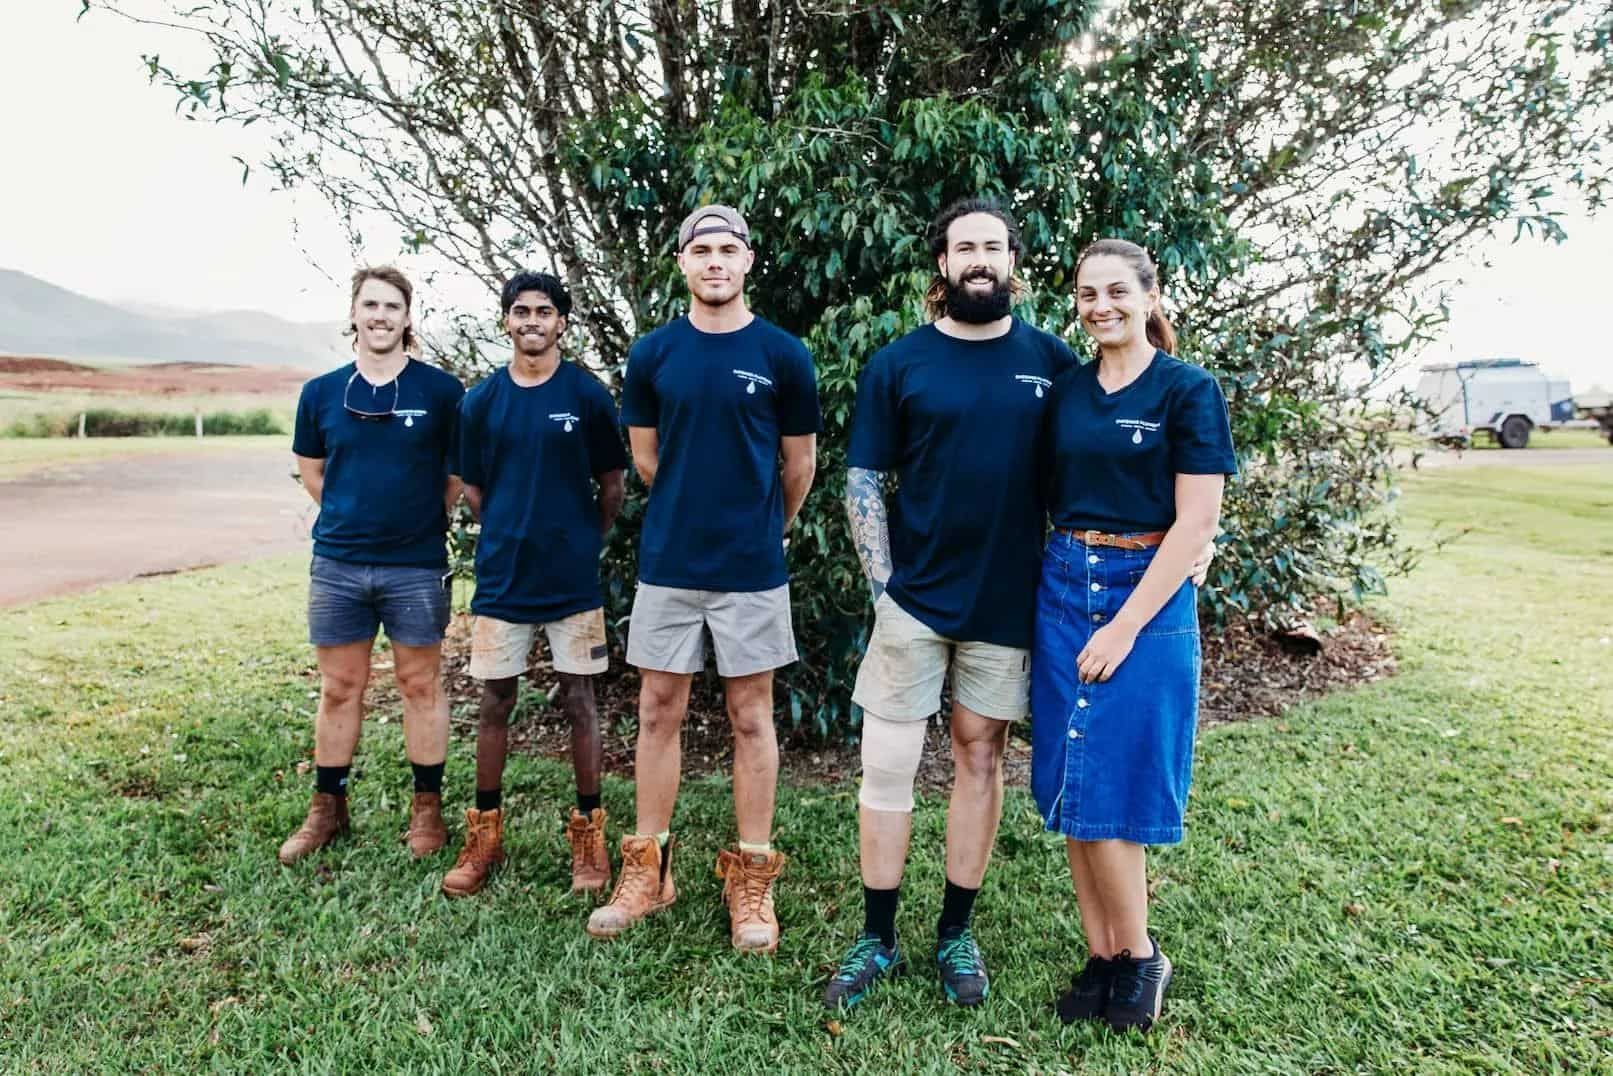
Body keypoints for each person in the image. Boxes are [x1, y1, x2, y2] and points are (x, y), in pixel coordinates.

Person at [824, 198, 1078, 1009]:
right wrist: (881, 588)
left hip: (1007, 601)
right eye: (964, 246)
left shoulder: (1052, 361)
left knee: (979, 758)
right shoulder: (900, 362)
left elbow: (1090, 468)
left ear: (1012, 262)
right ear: (941, 263)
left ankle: (954, 933)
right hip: (913, 600)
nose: (979, 259)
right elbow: (864, 478)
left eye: (992, 247)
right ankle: (876, 935)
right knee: (887, 762)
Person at [585, 205, 820, 953]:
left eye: (727, 249)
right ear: (683, 264)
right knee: (658, 709)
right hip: (671, 563)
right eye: (701, 250)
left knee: (752, 716)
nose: (715, 261)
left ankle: (751, 877)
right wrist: (695, 508)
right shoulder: (654, 353)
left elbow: (800, 466)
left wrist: (765, 526)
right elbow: (646, 458)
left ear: (747, 261)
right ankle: (648, 870)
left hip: (751, 567)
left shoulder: (783, 354)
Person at [1032, 238, 1236, 1032]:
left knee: (1114, 788)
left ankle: (1141, 955)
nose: (1100, 306)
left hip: (1144, 597)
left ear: (1150, 297)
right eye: (1087, 294)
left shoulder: (1187, 390)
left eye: (1116, 291)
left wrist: (1123, 626)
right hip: (1063, 586)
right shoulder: (1065, 392)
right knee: (1074, 781)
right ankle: (1103, 955)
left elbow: (1196, 520)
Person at [442, 271, 627, 898]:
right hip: (504, 578)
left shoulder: (586, 395)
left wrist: (580, 539)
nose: (531, 321)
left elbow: (612, 486)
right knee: (495, 700)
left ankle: (589, 834)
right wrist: (511, 531)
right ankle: (484, 835)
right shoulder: (481, 402)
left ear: (561, 323)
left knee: (580, 699)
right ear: (506, 321)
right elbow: (474, 491)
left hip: (571, 581)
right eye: (520, 311)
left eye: (543, 311)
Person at [279, 266, 465, 866]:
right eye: (371, 305)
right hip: (339, 564)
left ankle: (427, 809)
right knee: (340, 687)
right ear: (354, 314)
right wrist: (353, 516)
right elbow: (314, 472)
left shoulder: (441, 392)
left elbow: (455, 476)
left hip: (415, 565)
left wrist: (415, 519)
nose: (381, 316)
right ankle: (327, 808)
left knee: (420, 684)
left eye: (392, 306)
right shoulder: (321, 393)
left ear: (408, 318)